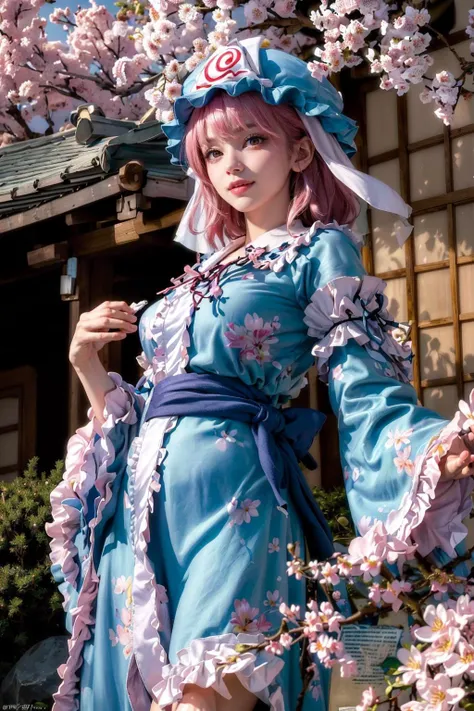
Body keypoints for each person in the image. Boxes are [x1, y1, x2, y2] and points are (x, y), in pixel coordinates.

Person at [46, 36, 474, 711]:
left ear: (300, 149)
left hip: (237, 498)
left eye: (253, 140)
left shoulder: (318, 251)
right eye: (212, 152)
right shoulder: (200, 272)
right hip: (145, 511)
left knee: (201, 697)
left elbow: (358, 377)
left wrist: (425, 443)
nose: (231, 164)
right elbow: (146, 411)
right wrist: (87, 365)